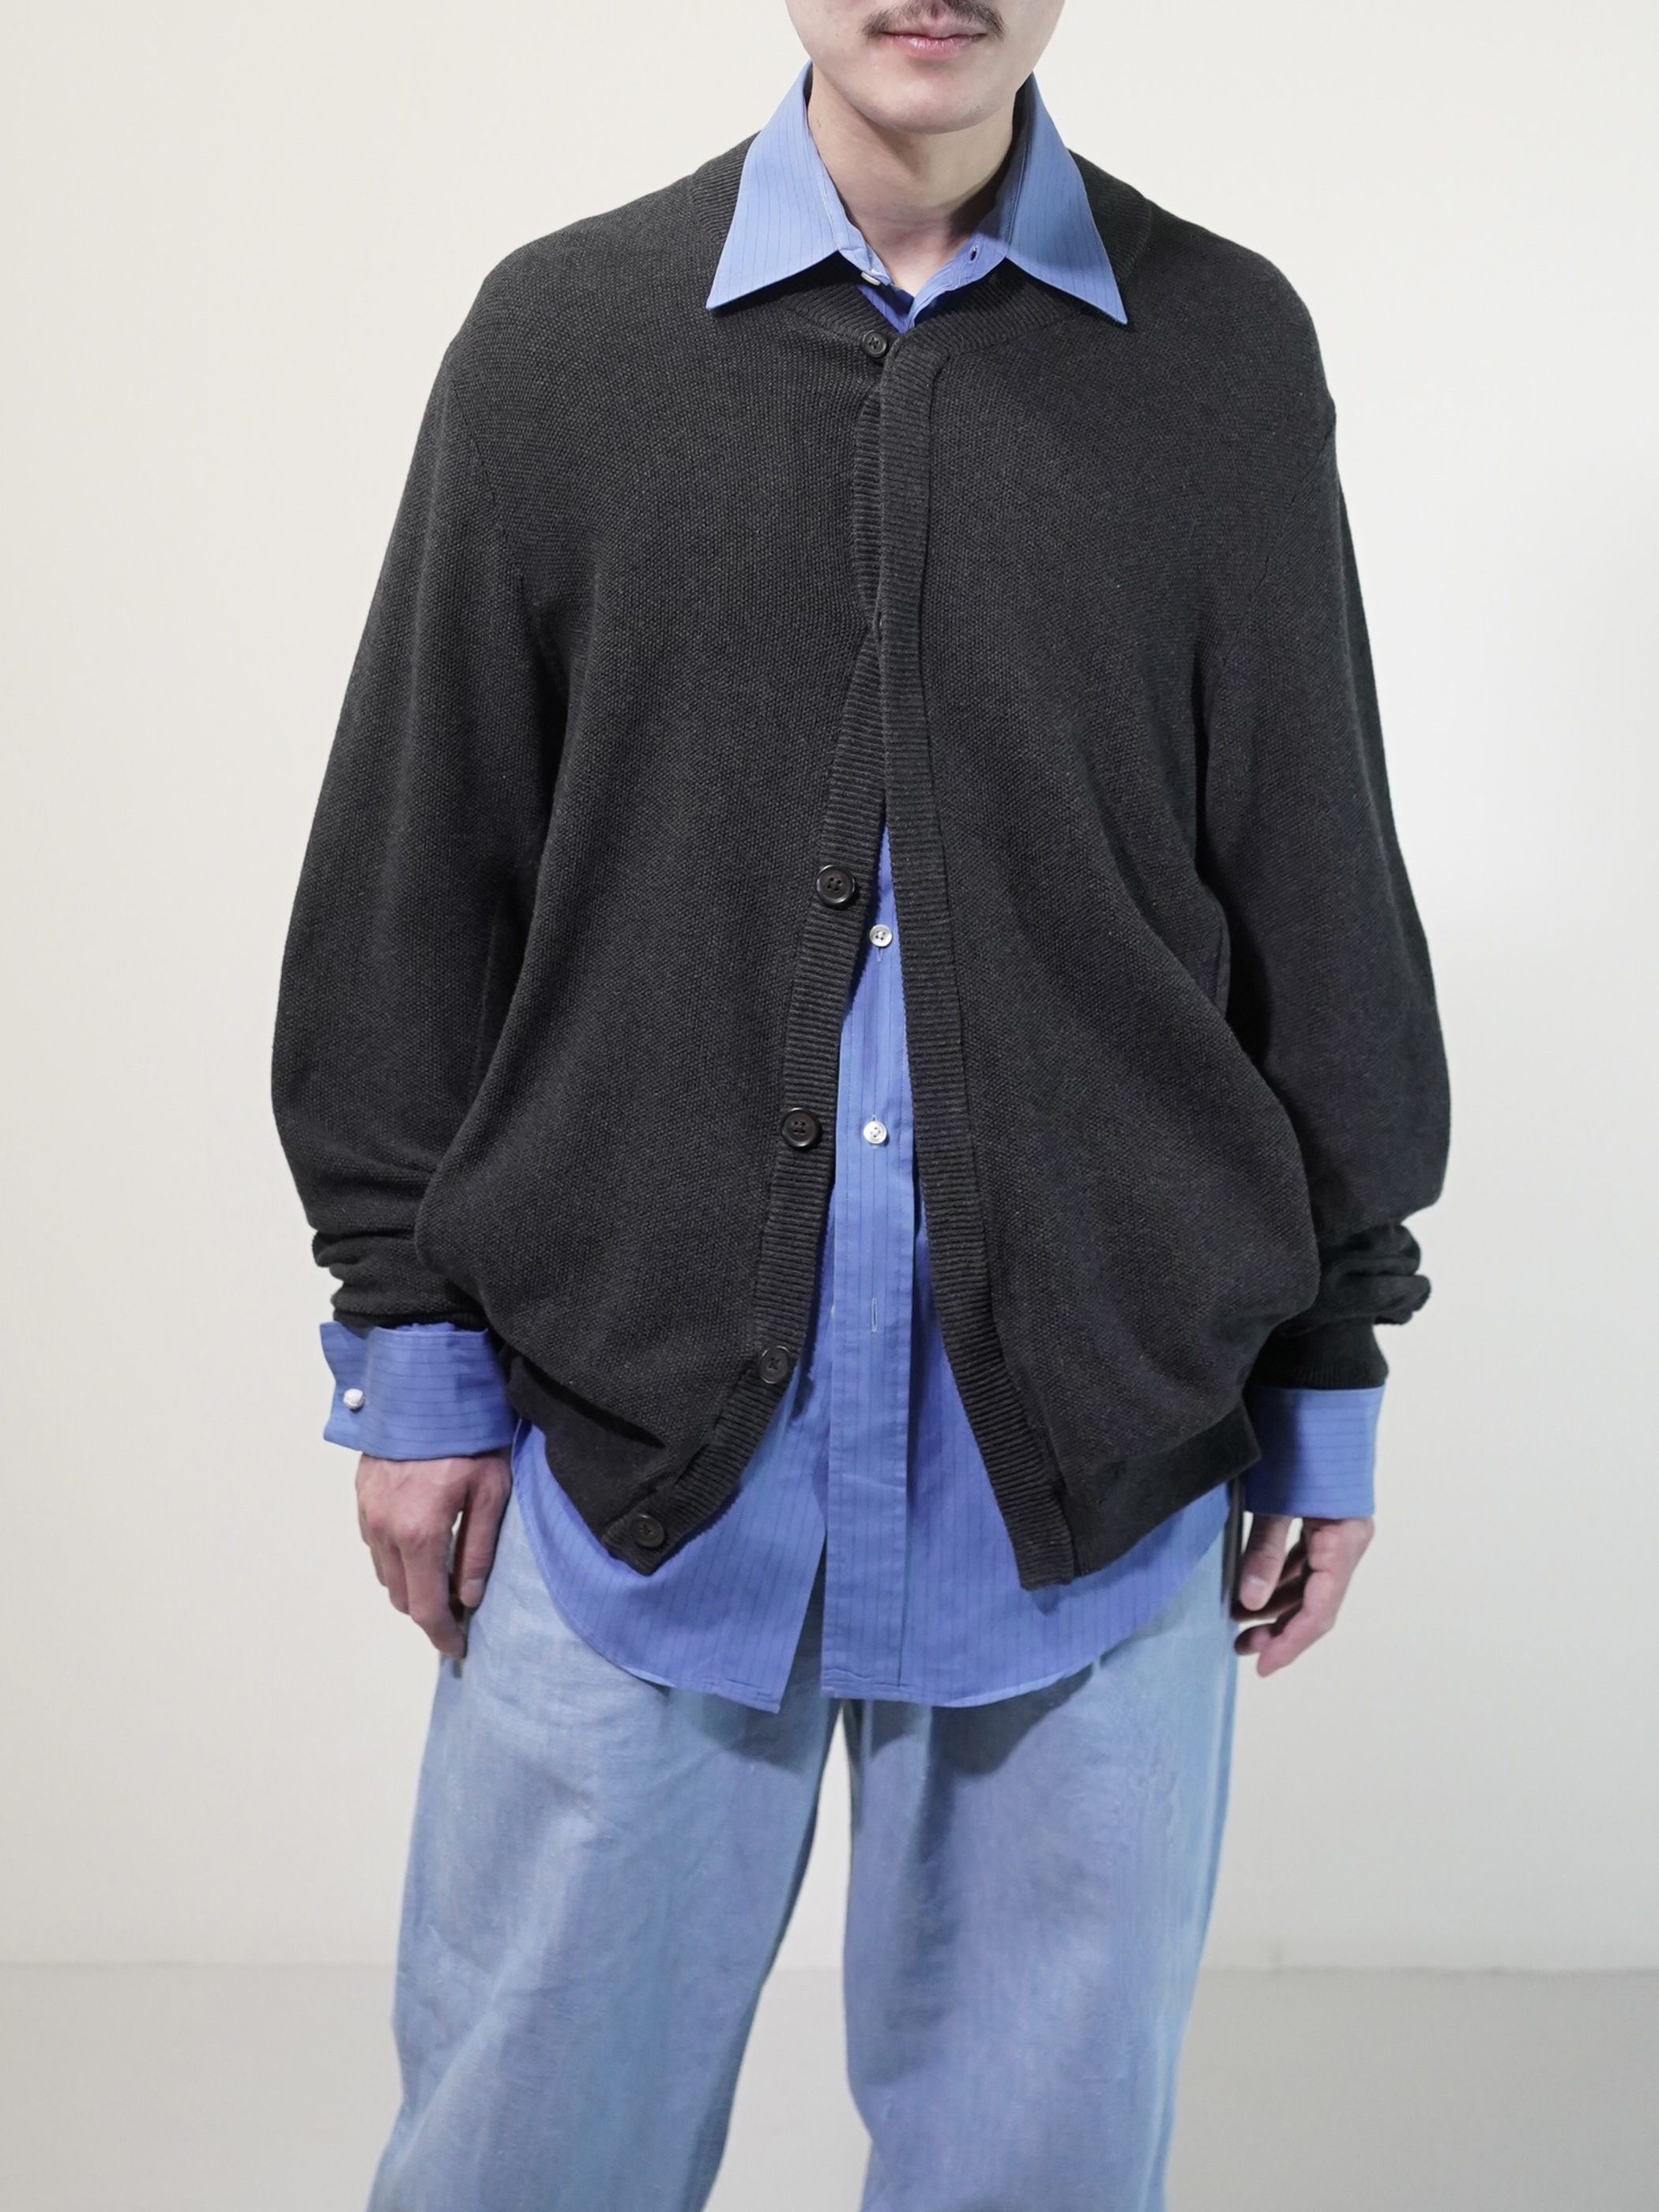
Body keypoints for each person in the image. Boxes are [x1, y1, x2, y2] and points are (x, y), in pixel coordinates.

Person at [273, 2, 1449, 2205]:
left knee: (1040, 2169)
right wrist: (410, 1346)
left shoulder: (1218, 349)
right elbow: (421, 868)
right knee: (526, 2148)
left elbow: (1307, 856)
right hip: (627, 1433)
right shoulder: (566, 341)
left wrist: (1326, 1359)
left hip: (1101, 1437)